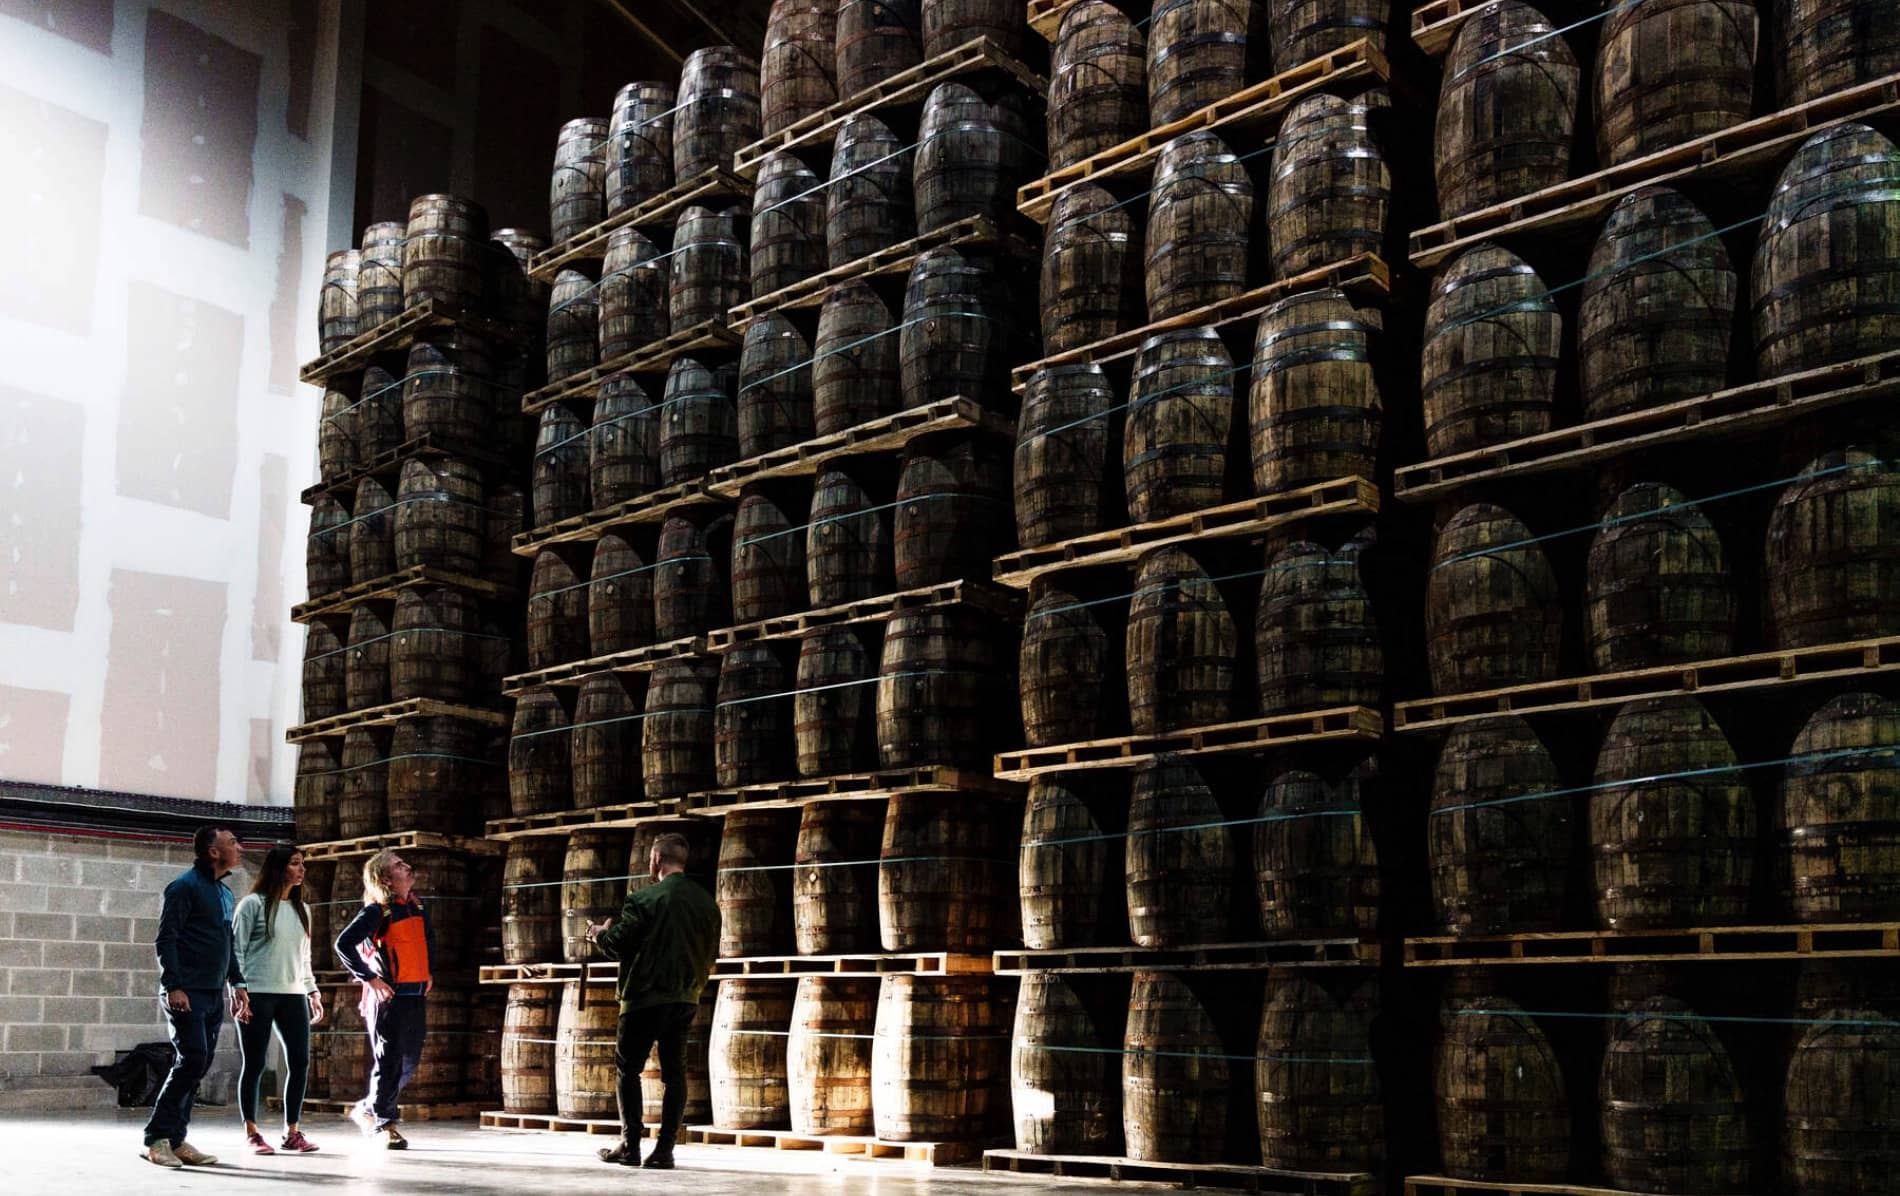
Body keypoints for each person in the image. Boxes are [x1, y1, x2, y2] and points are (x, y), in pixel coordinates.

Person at [585, 831, 720, 1170]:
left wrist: (599, 934)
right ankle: (665, 1150)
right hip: (686, 998)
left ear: (657, 859)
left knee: (628, 1070)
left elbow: (617, 944)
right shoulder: (708, 904)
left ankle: (631, 1146)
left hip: (644, 999)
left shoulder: (644, 900)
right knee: (675, 1075)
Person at [145, 824, 251, 1170]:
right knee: (191, 1059)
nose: (239, 847)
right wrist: (174, 985)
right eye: (232, 842)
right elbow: (166, 940)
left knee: (199, 1064)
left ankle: (176, 1139)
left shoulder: (223, 893)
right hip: (185, 991)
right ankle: (156, 1139)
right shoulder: (183, 888)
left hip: (211, 992)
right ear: (213, 851)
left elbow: (226, 943)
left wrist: (237, 983)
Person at [333, 848, 433, 1150]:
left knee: (409, 1060)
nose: (407, 866)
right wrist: (370, 978)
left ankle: (369, 1107)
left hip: (416, 996)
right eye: (398, 865)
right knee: (388, 1062)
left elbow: (427, 942)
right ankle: (384, 1123)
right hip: (390, 999)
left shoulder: (417, 907)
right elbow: (343, 943)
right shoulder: (377, 911)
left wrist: (429, 973)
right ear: (385, 879)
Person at [233, 845, 324, 1154]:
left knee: (300, 1061)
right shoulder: (252, 905)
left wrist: (311, 990)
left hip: (293, 994)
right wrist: (238, 989)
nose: (302, 870)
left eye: (302, 864)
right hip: (256, 993)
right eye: (295, 864)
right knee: (255, 1063)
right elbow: (236, 951)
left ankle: (292, 1131)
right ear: (279, 868)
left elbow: (304, 957)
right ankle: (252, 1132)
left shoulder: (303, 910)